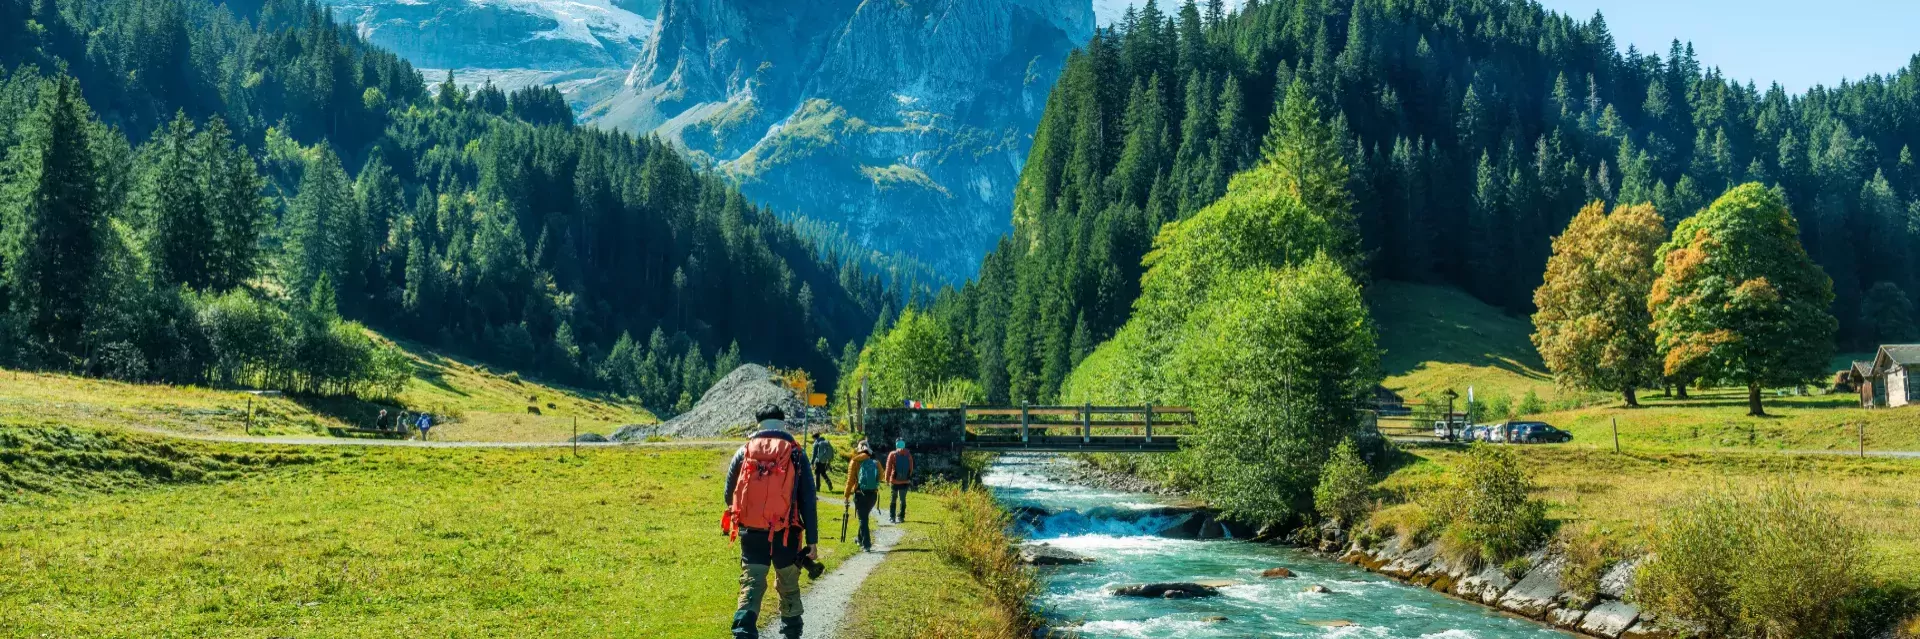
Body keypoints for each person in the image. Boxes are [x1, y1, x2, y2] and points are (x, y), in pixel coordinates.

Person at [723, 406, 818, 639]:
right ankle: (791, 633)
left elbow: (729, 494)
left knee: (752, 583)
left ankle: (743, 632)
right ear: (783, 422)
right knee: (788, 584)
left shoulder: (744, 451)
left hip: (751, 532)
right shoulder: (796, 453)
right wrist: (813, 540)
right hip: (786, 532)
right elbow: (808, 499)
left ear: (759, 423)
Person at [843, 441, 880, 551]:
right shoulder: (875, 462)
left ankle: (867, 544)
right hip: (873, 495)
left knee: (863, 519)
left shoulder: (854, 462)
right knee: (863, 518)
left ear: (858, 450)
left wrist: (846, 496)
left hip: (860, 494)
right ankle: (859, 538)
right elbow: (881, 476)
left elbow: (850, 481)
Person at [885, 438, 914, 523]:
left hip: (894, 480)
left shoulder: (892, 454)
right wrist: (908, 477)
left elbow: (888, 468)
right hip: (905, 481)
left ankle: (892, 517)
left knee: (893, 499)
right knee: (903, 500)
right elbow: (911, 467)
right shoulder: (908, 454)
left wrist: (887, 479)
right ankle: (901, 517)